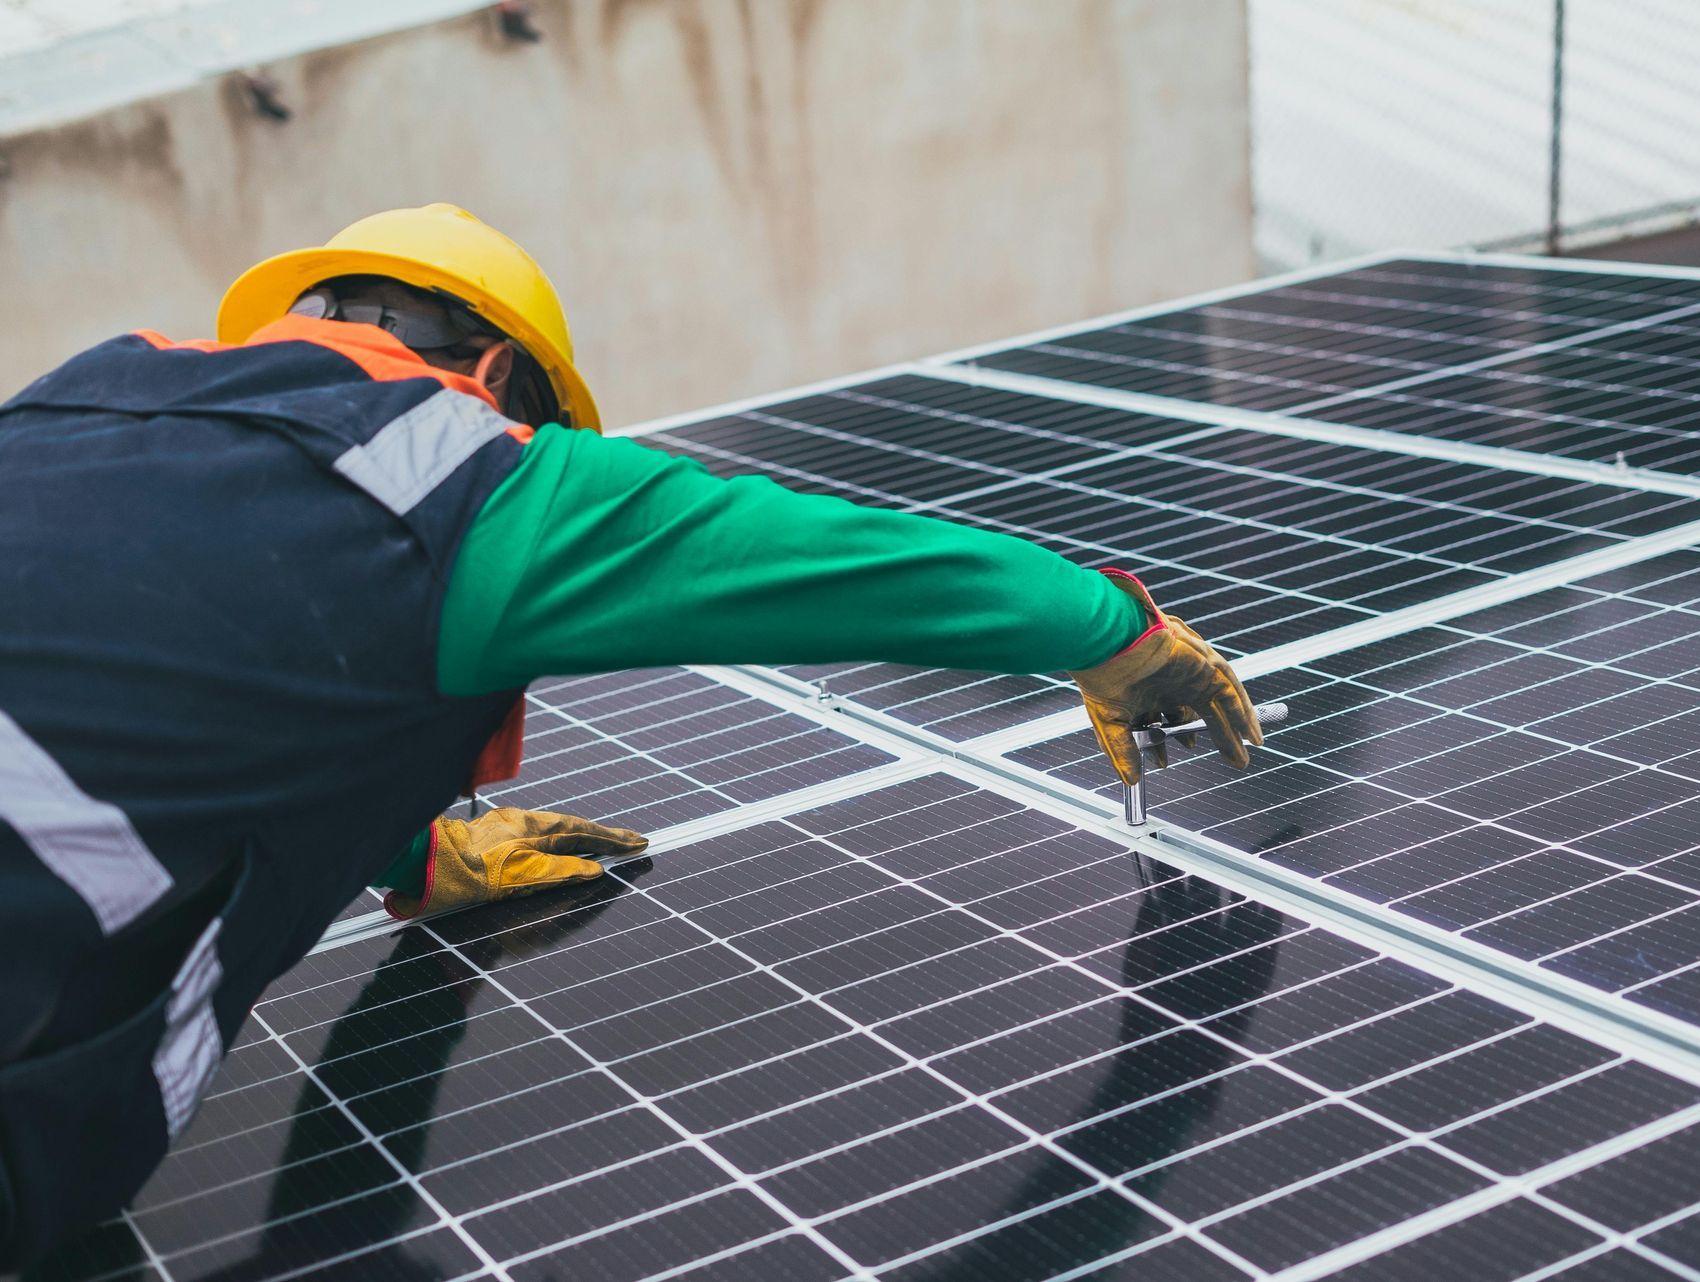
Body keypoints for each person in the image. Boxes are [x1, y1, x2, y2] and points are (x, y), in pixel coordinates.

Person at [0, 203, 1259, 1269]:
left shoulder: (70, 401)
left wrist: (413, 854)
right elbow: (844, 560)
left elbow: (178, 656)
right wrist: (1117, 633)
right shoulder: (469, 472)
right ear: (501, 378)